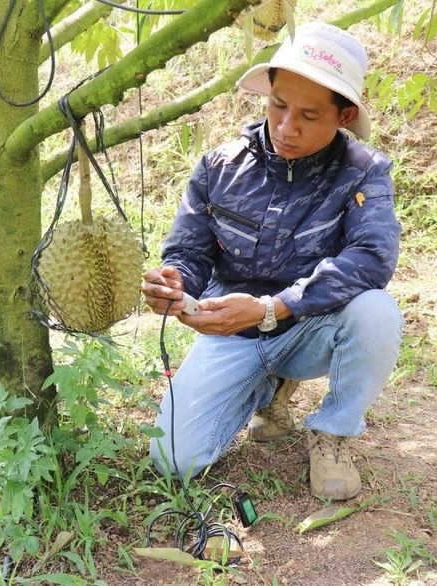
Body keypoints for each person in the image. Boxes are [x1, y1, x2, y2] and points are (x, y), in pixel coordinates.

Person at [142, 22, 404, 500]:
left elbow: (371, 258)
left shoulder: (364, 173)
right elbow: (189, 252)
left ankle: (333, 432)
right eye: (278, 105)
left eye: (308, 115)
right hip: (233, 329)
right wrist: (177, 285)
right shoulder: (218, 168)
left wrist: (275, 308)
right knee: (173, 461)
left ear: (343, 116)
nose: (286, 127)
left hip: (309, 326)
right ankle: (265, 389)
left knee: (376, 313)